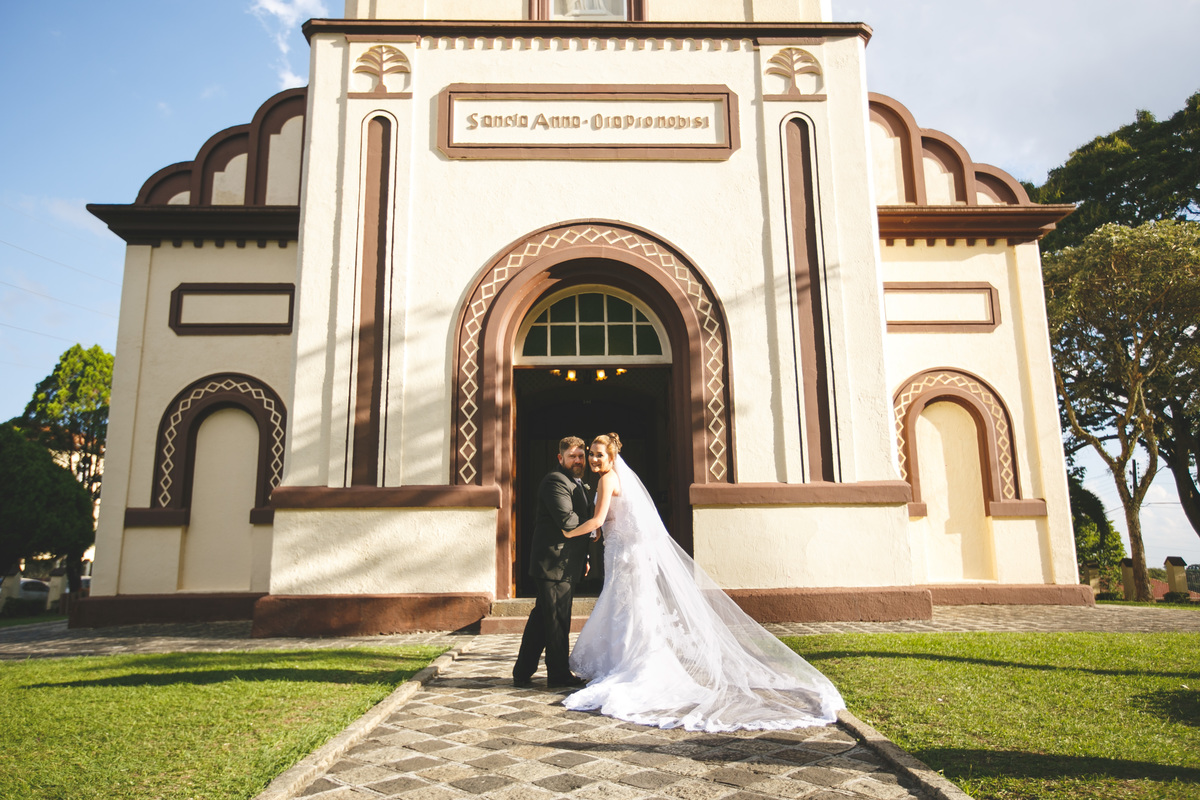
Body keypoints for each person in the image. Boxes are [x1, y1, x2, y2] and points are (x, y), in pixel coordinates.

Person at [559, 433, 845, 732]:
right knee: (631, 609)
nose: (593, 459)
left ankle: (627, 665)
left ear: (612, 457)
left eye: (599, 454)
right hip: (626, 553)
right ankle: (630, 661)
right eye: (592, 453)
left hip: (623, 556)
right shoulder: (616, 478)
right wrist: (599, 531)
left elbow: (598, 519)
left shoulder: (607, 480)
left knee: (625, 609)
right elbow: (612, 520)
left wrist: (568, 532)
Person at [513, 436, 593, 688]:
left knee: (542, 618)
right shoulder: (555, 481)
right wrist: (596, 526)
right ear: (560, 458)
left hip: (565, 561)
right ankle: (558, 675)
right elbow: (567, 522)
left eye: (581, 456)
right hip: (553, 563)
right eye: (572, 456)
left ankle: (522, 671)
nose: (578, 460)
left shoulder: (578, 483)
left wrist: (585, 556)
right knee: (558, 619)